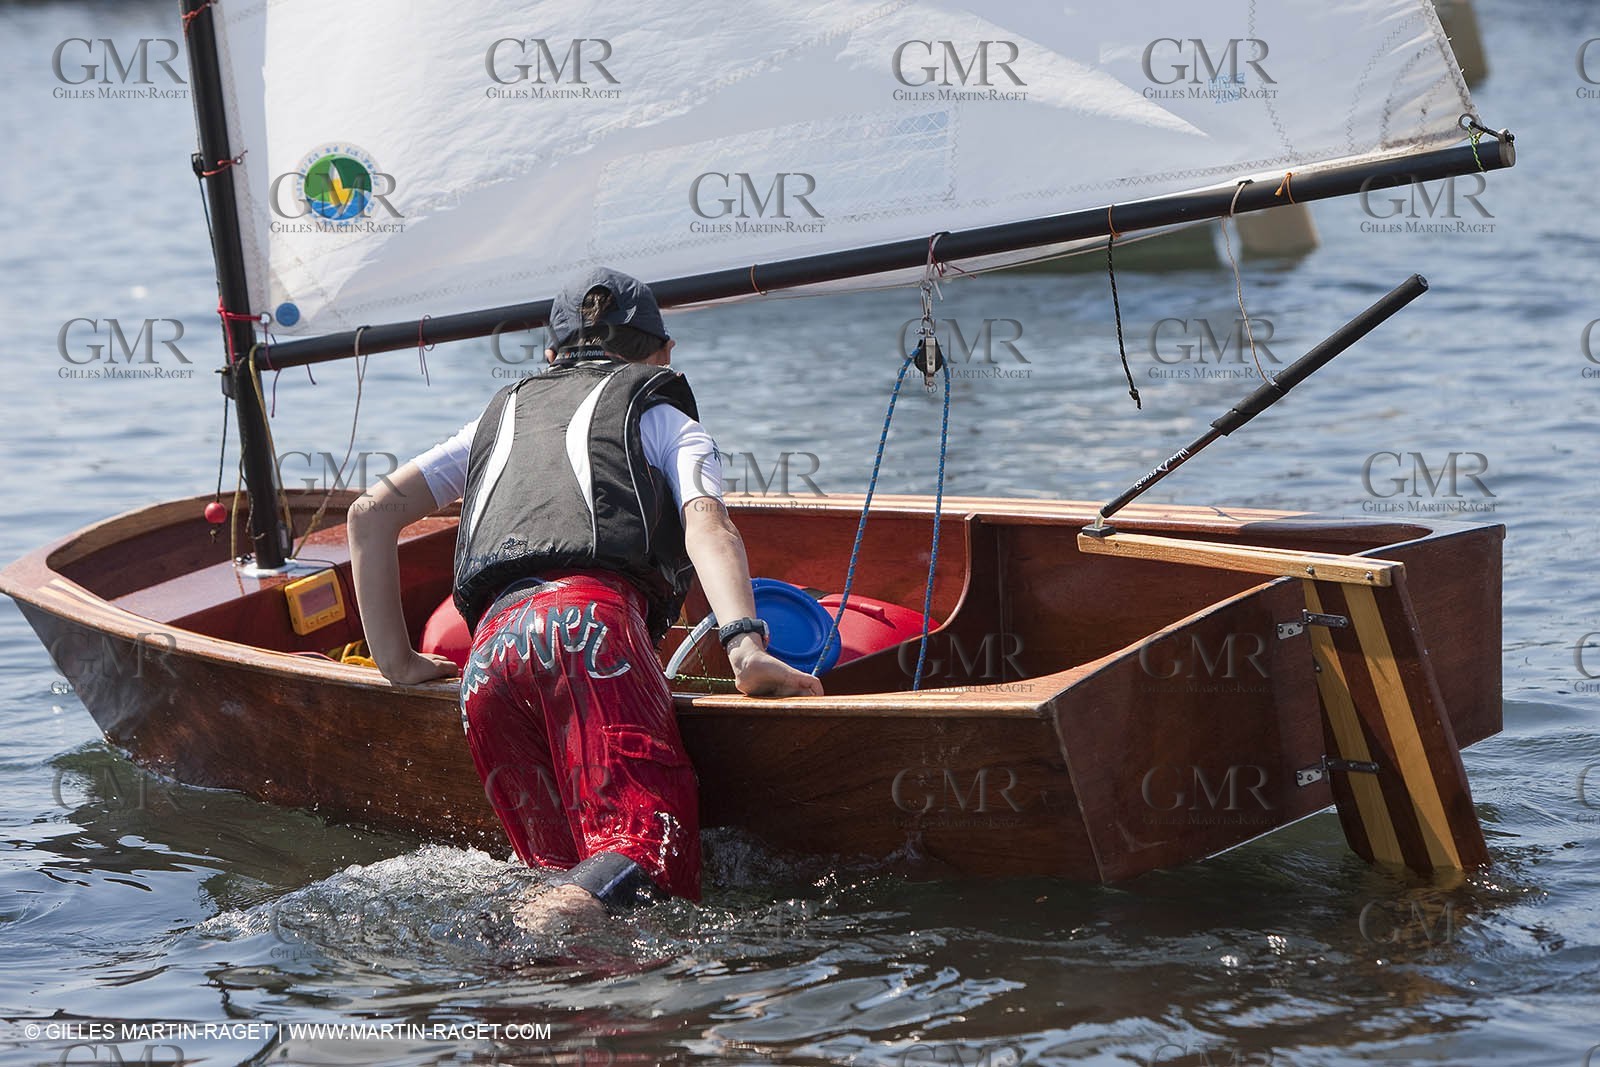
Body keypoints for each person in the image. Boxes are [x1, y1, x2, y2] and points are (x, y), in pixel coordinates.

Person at [347, 268, 822, 927]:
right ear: (662, 354)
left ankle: (539, 992)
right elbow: (708, 526)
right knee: (648, 859)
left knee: (559, 880)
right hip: (591, 634)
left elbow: (369, 515)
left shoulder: (496, 418)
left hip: (489, 657)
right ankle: (547, 933)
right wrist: (744, 646)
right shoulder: (666, 417)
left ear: (551, 357)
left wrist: (396, 664)